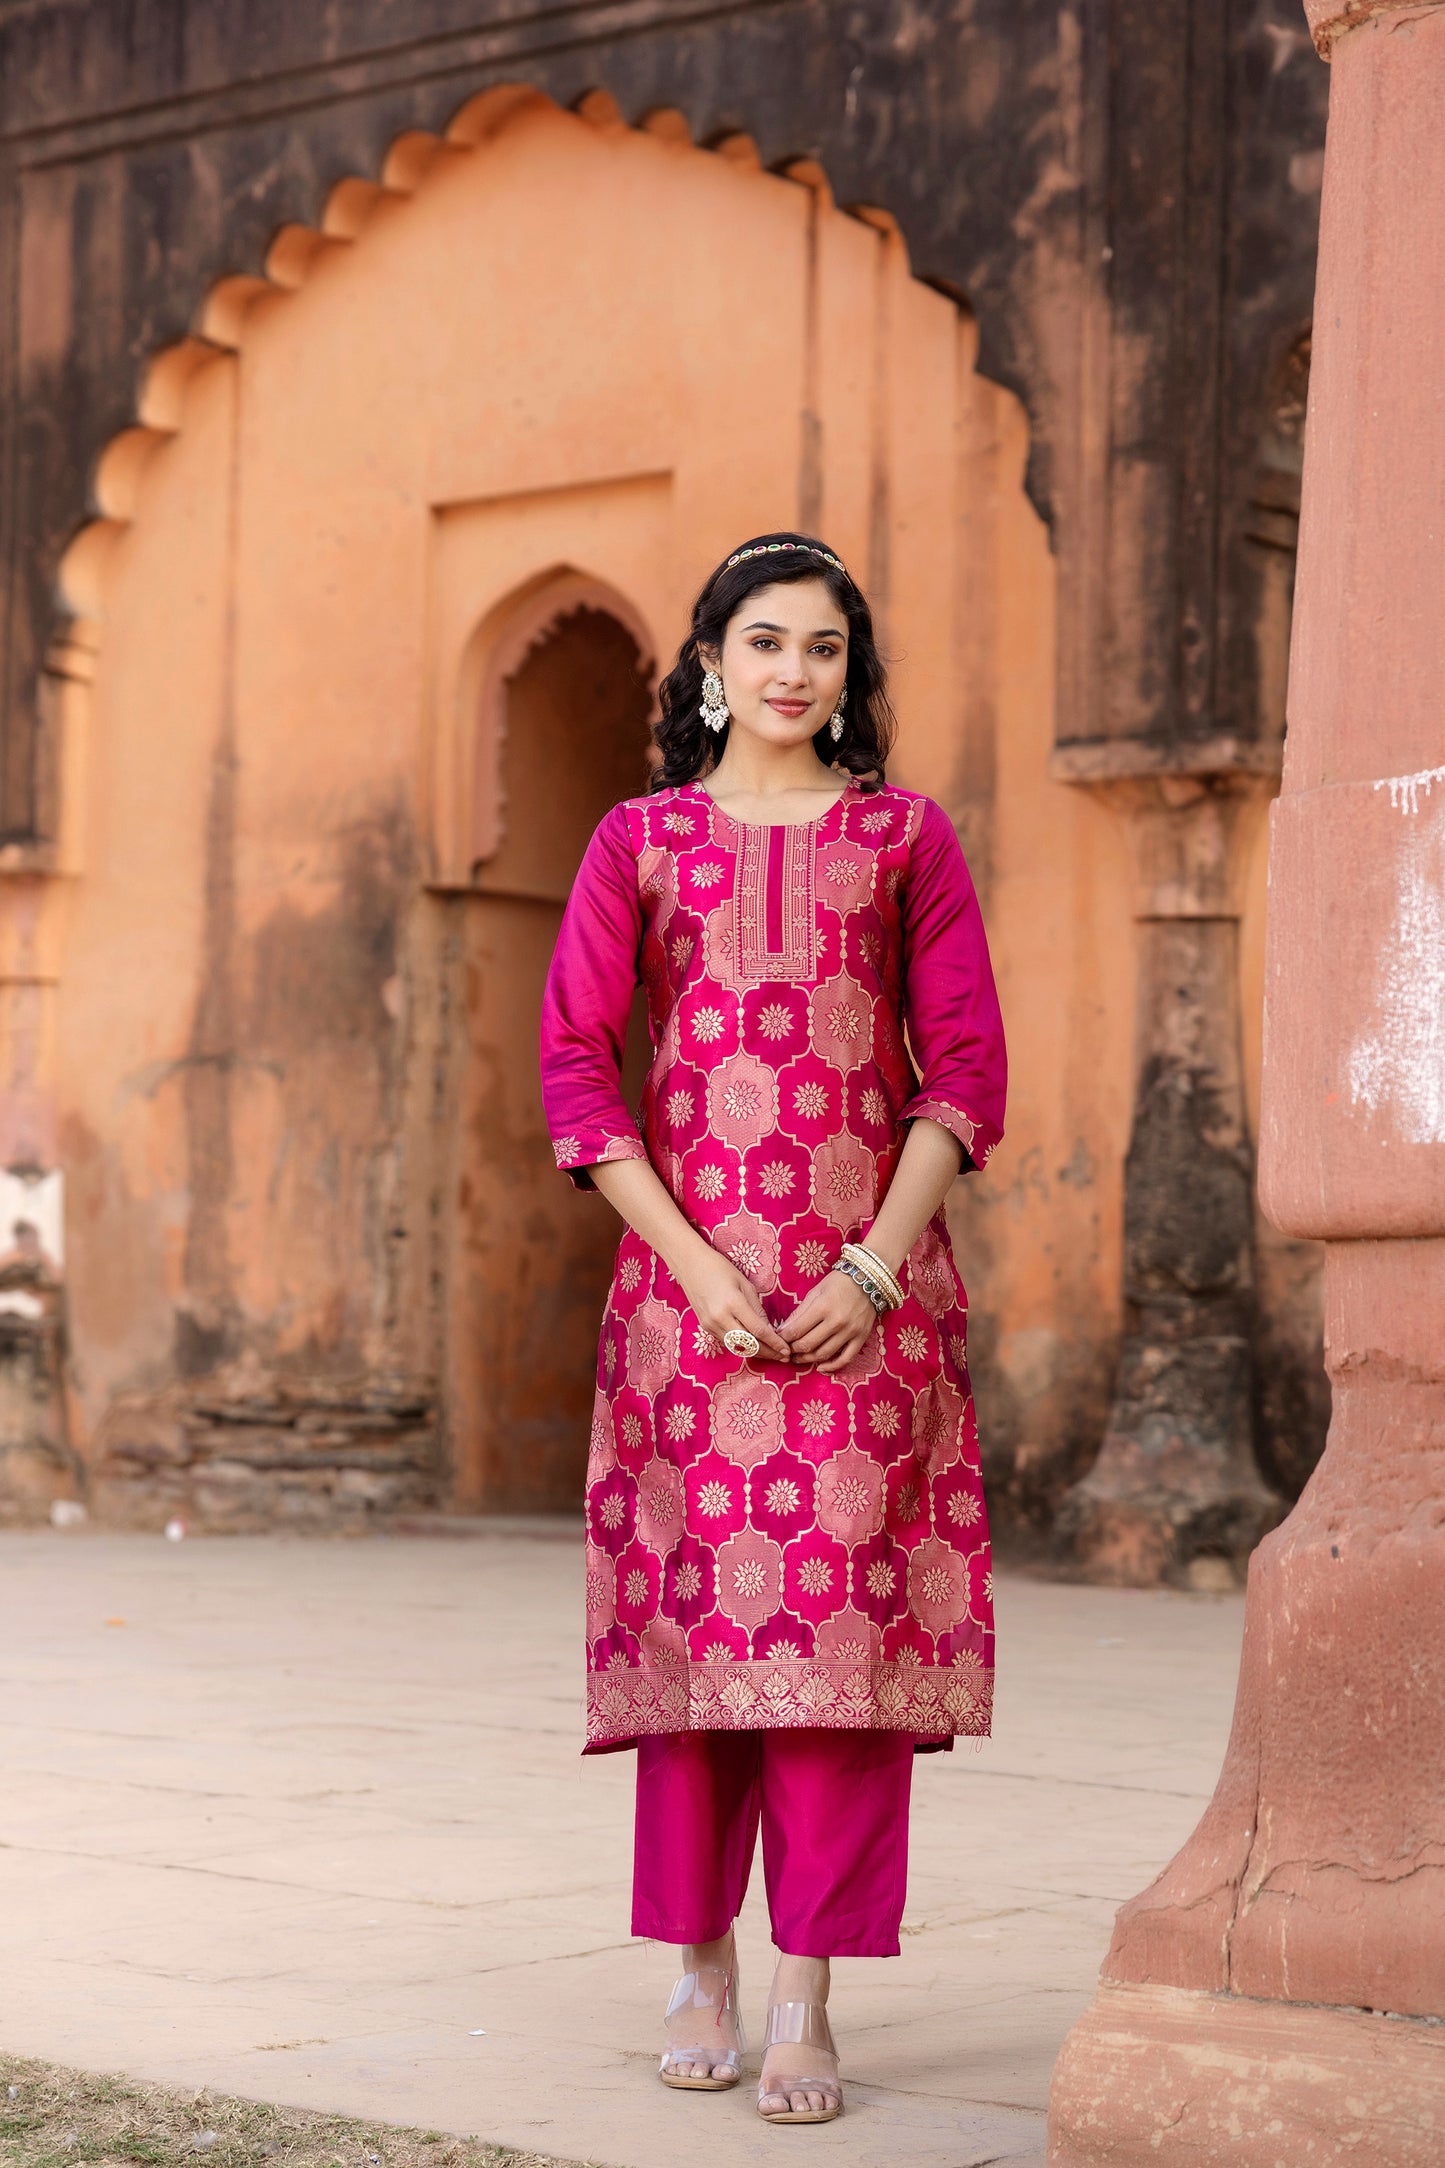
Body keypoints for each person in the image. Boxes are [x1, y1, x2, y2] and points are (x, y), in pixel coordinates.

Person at [539, 531, 1007, 2125]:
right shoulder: (638, 842)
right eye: (762, 643)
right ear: (708, 665)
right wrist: (697, 1267)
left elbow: (960, 1076)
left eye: (820, 648)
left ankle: (805, 1991)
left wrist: (870, 1269)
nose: (791, 672)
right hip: (689, 1312)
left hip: (864, 1315)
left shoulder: (903, 840)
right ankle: (698, 1963)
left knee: (831, 1661)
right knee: (702, 1648)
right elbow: (579, 1076)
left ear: (846, 676)